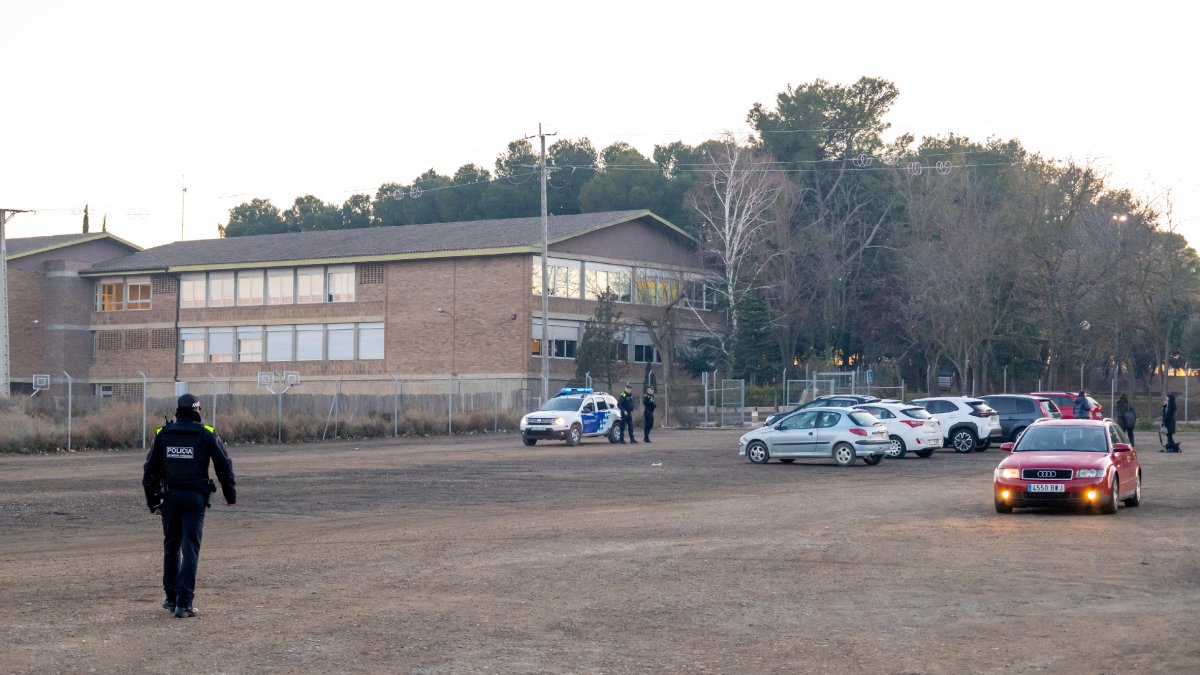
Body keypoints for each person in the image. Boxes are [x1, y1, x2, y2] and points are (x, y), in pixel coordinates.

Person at [142, 393, 236, 618]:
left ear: (178, 410)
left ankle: (171, 597)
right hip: (195, 499)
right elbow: (225, 466)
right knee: (190, 549)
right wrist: (230, 495)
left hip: (170, 498)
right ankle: (184, 603)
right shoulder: (207, 434)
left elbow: (149, 471)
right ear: (196, 410)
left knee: (171, 547)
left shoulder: (163, 434)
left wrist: (153, 502)